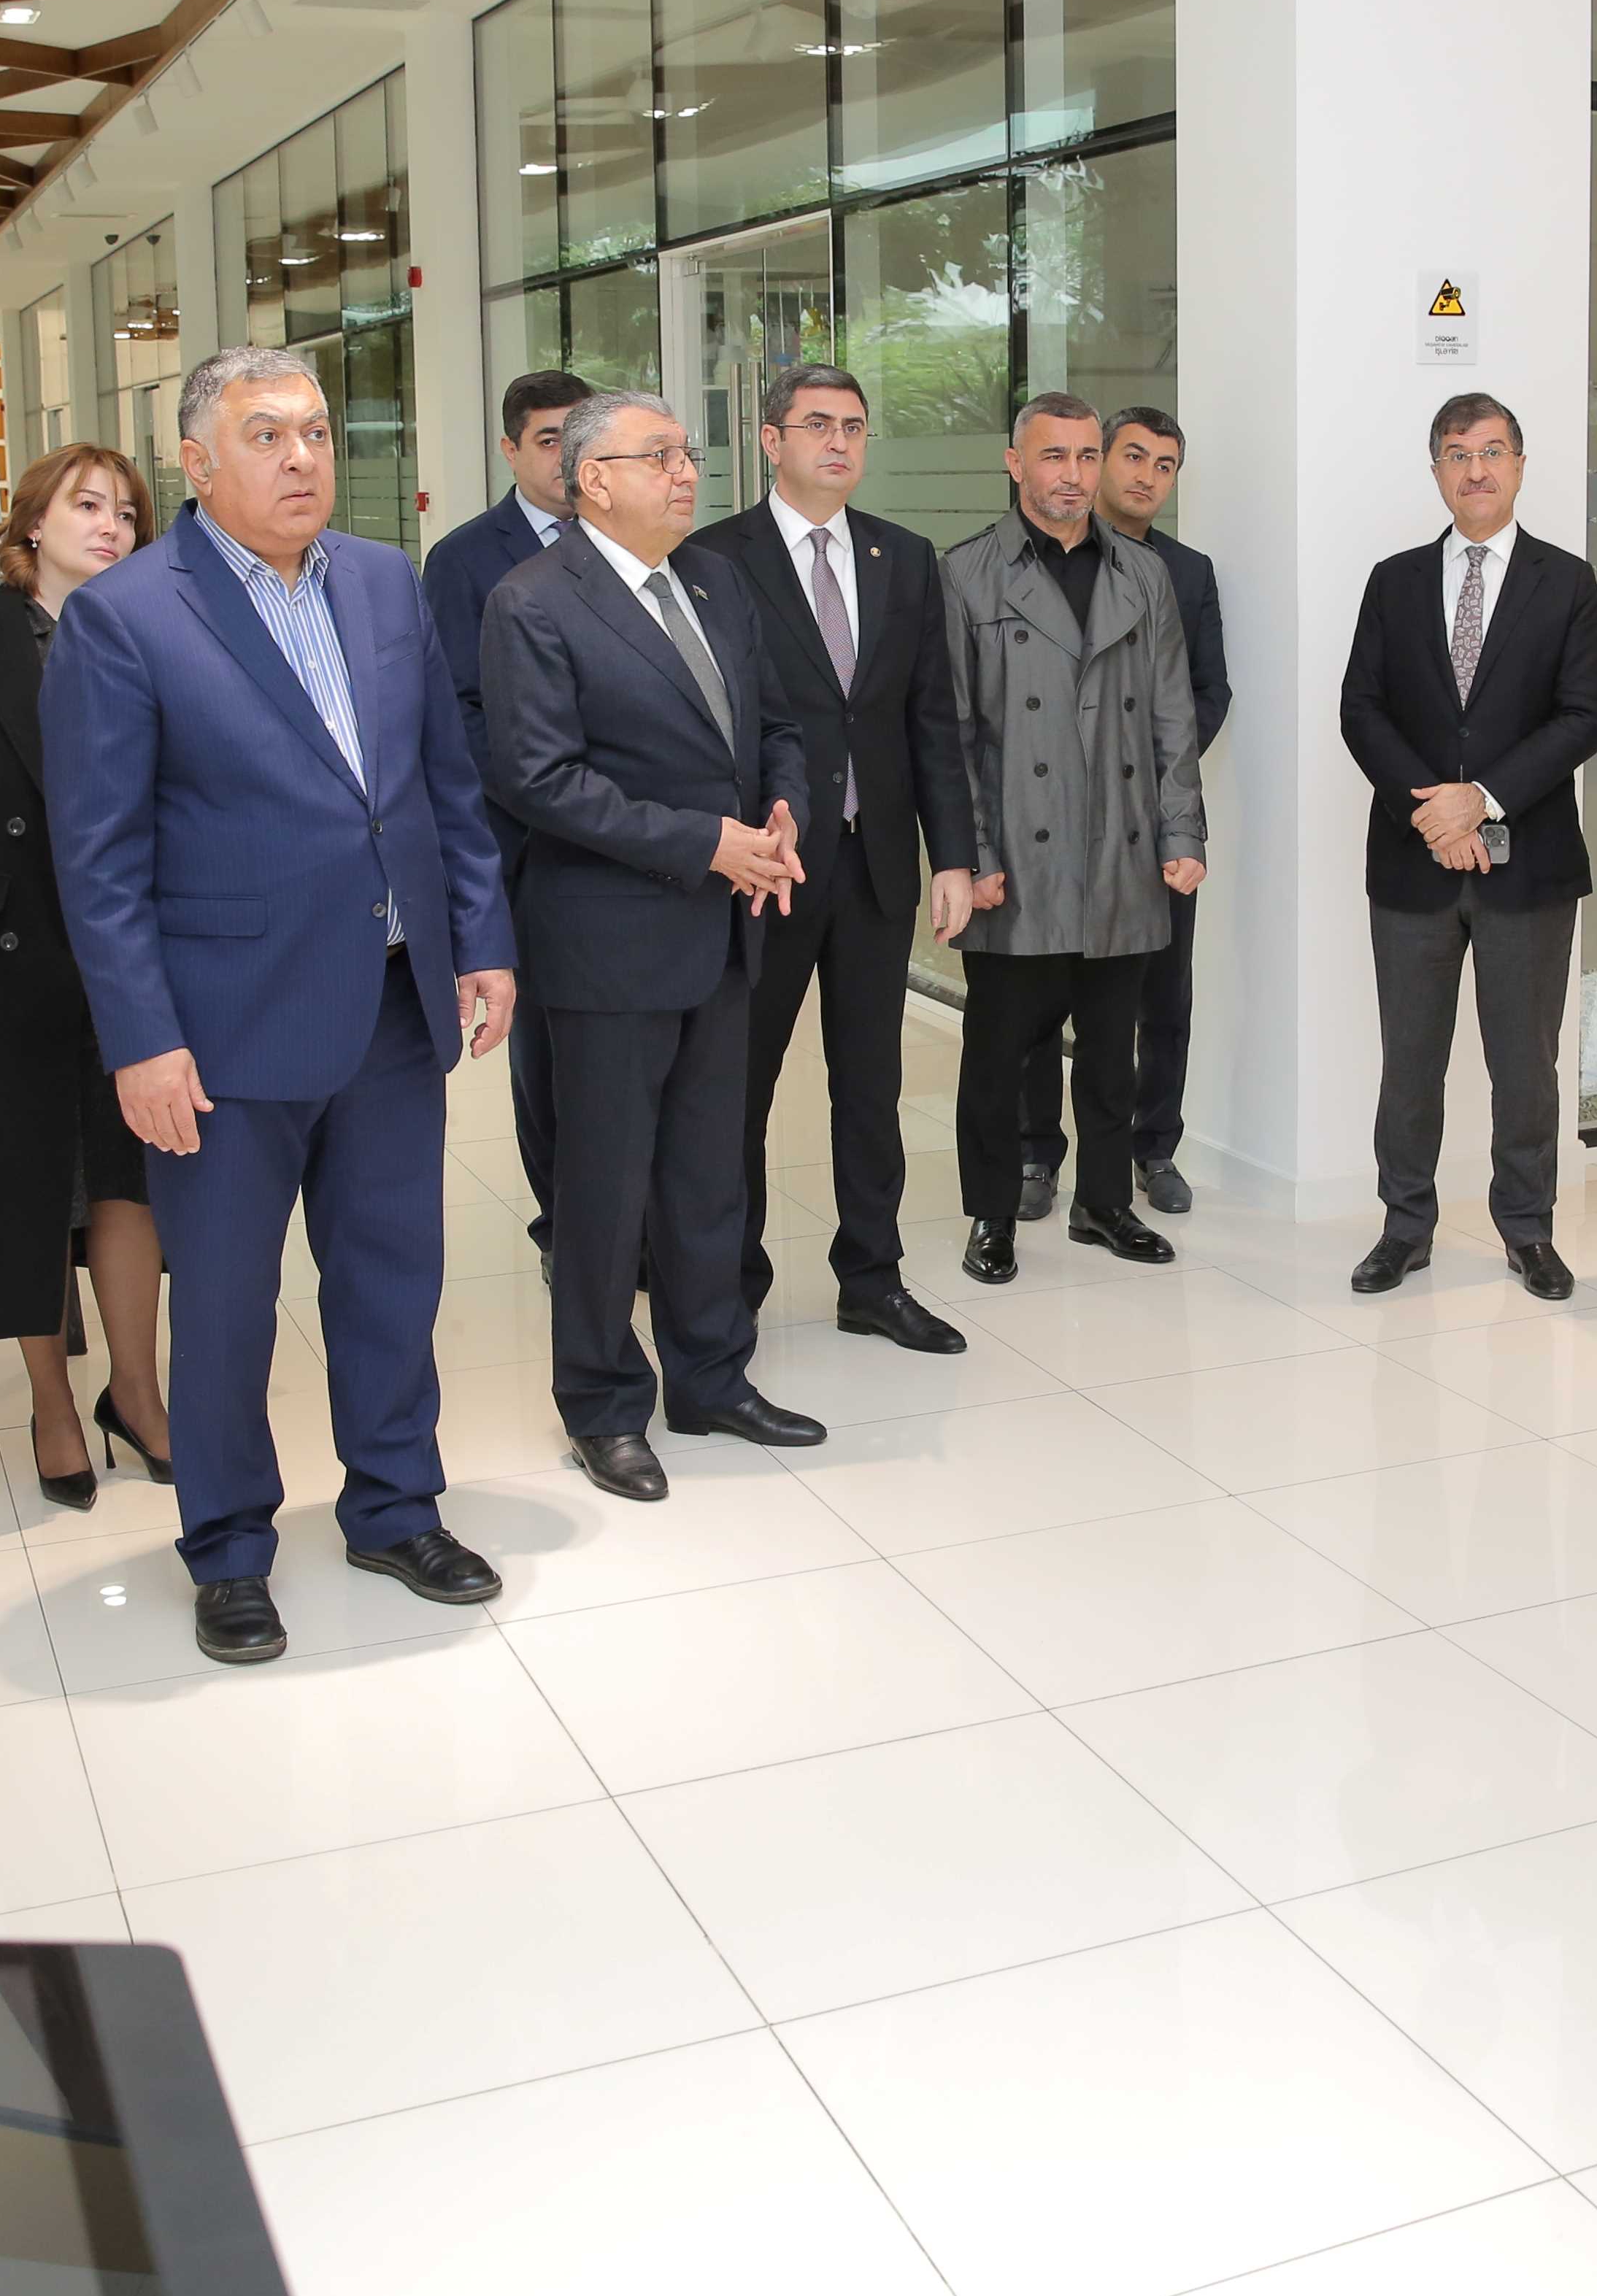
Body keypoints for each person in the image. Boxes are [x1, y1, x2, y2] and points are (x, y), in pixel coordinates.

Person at [42, 349, 519, 1666]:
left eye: (313, 431)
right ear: (196, 463)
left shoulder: (382, 581)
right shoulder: (127, 617)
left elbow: (441, 784)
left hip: (390, 1007)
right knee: (228, 1307)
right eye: (266, 435)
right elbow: (98, 859)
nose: (303, 457)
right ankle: (230, 1549)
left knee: (392, 1278)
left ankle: (396, 1507)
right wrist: (142, 1040)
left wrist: (480, 937)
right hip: (222, 1029)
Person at [480, 389, 828, 1503]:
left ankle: (712, 1377)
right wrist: (705, 843)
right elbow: (538, 780)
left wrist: (779, 810)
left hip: (722, 934)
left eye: (687, 454)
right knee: (604, 1191)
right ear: (594, 480)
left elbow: (774, 725)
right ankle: (602, 1406)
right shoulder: (534, 601)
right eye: (661, 456)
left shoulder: (715, 582)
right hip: (607, 944)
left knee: (707, 1175)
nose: (688, 473)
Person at [0, 442, 173, 1507]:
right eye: (87, 505)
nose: (111, 526)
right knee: (24, 1189)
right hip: (9, 945)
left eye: (128, 514)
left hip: (131, 944)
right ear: (33, 523)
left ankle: (137, 1394)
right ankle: (53, 1404)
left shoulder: (152, 631)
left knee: (130, 1174)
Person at [684, 363, 982, 1355]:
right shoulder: (713, 558)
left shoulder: (905, 556)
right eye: (817, 425)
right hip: (768, 866)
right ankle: (731, 1281)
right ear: (771, 441)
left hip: (875, 860)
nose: (839, 443)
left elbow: (932, 718)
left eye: (854, 427)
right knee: (742, 1084)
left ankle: (873, 1278)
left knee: (870, 1084)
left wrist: (953, 856)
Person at [1335, 393, 1597, 1301]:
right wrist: (1432, 812)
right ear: (1437, 471)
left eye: (1493, 451)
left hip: (1529, 866)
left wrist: (1480, 800)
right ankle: (1404, 1227)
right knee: (1410, 1061)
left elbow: (1582, 717)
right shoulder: (1395, 581)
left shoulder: (1567, 582)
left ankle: (1528, 1229)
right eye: (1458, 453)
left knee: (1524, 1066)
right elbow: (1361, 709)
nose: (1476, 469)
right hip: (1412, 860)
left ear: (1520, 465)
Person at [942, 391, 1207, 1283]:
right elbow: (953, 733)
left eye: (1088, 456)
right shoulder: (966, 574)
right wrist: (972, 856)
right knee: (998, 1050)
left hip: (1123, 848)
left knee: (1109, 1048)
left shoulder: (1143, 574)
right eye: (1054, 456)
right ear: (1016, 463)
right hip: (1018, 855)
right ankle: (992, 1215)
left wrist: (1182, 832)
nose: (1073, 475)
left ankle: (1103, 1203)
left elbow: (1172, 717)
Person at [1015, 404, 1230, 1217]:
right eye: (1133, 457)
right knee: (1043, 995)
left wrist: (1143, 773)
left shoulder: (1187, 573)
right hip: (1047, 816)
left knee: (1162, 998)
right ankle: (1036, 1154)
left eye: (1164, 465)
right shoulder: (1033, 559)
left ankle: (1154, 1148)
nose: (1147, 477)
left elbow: (1206, 693)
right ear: (1097, 461)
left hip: (1151, 818)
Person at [423, 368, 590, 1266]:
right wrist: (553, 794)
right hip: (526, 840)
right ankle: (564, 1224)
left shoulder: (630, 539)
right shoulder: (464, 559)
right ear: (510, 450)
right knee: (549, 1050)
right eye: (548, 440)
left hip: (631, 841)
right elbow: (457, 710)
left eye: (578, 437)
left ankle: (628, 1221)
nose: (566, 458)